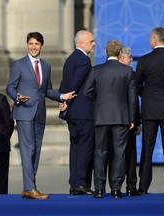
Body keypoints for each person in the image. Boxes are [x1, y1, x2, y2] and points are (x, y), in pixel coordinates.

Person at [6, 32, 75, 199]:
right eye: (31, 43)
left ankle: (30, 187)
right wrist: (17, 97)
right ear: (27, 45)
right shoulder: (19, 64)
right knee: (27, 149)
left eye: (37, 44)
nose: (33, 47)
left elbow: (47, 90)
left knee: (35, 150)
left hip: (40, 113)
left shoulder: (46, 66)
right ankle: (30, 187)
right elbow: (10, 87)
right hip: (24, 112)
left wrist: (61, 96)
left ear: (41, 46)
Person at [84, 40, 136, 198]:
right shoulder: (127, 71)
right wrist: (132, 118)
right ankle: (116, 188)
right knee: (119, 153)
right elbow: (132, 99)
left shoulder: (97, 70)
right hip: (121, 117)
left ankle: (99, 188)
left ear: (106, 52)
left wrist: (99, 101)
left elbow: (87, 91)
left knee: (100, 152)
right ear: (120, 54)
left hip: (101, 116)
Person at [135, 27, 164, 194]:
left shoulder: (144, 60)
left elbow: (137, 84)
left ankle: (143, 187)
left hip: (149, 110)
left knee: (147, 148)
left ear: (154, 40)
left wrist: (145, 96)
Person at [59, 30, 95, 195]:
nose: (94, 44)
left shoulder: (70, 59)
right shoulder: (84, 60)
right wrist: (66, 100)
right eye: (91, 41)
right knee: (84, 147)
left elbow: (64, 83)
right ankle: (80, 183)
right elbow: (75, 83)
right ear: (81, 43)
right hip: (83, 111)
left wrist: (64, 102)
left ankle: (74, 183)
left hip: (72, 111)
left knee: (75, 147)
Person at [118, 46, 142, 196]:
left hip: (111, 120)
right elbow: (134, 100)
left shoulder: (104, 70)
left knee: (115, 154)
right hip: (128, 120)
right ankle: (131, 186)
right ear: (122, 58)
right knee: (130, 155)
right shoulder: (130, 73)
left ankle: (116, 186)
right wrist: (136, 121)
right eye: (130, 57)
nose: (132, 59)